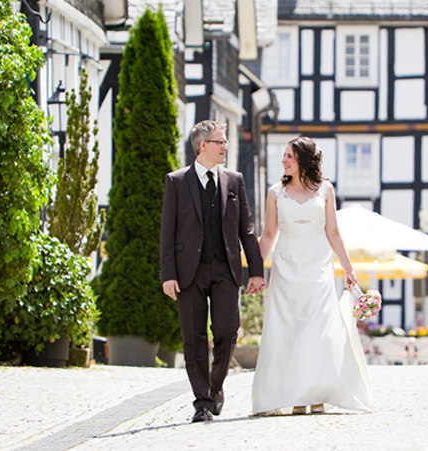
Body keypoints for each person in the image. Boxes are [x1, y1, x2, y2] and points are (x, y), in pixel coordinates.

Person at [251, 136, 373, 416]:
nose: (283, 160)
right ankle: (292, 395)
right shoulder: (275, 193)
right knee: (288, 331)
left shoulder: (326, 190)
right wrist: (255, 271)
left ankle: (317, 394)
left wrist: (348, 269)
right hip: (285, 268)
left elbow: (333, 232)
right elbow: (269, 234)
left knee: (318, 331)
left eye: (289, 156)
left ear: (304, 160)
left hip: (318, 268)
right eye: (283, 155)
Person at [160, 120, 265, 423]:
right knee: (193, 339)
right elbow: (168, 232)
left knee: (226, 331)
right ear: (202, 145)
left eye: (225, 141)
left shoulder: (234, 180)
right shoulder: (176, 181)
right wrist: (168, 273)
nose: (225, 146)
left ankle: (215, 387)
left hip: (225, 269)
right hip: (188, 271)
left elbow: (246, 230)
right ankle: (202, 402)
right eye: (220, 142)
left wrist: (255, 271)